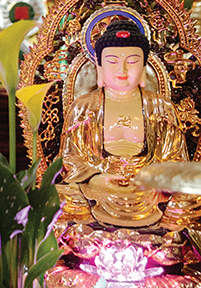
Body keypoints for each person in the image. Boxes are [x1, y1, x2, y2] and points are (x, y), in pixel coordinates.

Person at [56, 21, 200, 265]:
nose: (122, 69)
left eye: (132, 61)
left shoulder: (161, 107)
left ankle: (91, 247)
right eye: (112, 62)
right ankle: (163, 251)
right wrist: (96, 178)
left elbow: (176, 158)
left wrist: (160, 182)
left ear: (144, 69)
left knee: (192, 199)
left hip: (149, 194)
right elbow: (70, 158)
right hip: (99, 191)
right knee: (60, 196)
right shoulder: (83, 107)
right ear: (99, 68)